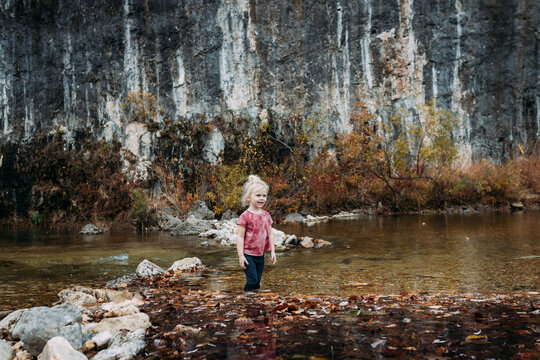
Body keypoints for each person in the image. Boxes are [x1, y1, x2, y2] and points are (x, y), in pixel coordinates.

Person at [236, 175, 276, 291]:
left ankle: (256, 302)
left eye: (264, 196)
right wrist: (240, 256)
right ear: (248, 197)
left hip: (260, 255)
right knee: (252, 280)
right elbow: (240, 236)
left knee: (257, 281)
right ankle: (247, 299)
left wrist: (273, 251)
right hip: (248, 254)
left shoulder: (266, 215)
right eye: (258, 195)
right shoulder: (245, 216)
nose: (262, 198)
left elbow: (270, 234)